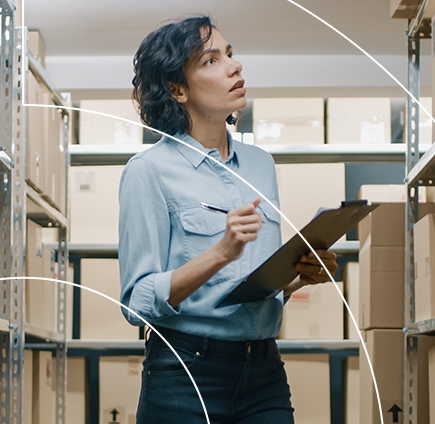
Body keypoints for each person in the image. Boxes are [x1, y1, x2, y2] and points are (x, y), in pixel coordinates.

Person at [118, 15, 339, 423]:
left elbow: (252, 286)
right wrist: (220, 252)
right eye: (211, 60)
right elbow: (136, 303)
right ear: (177, 89)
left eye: (231, 54)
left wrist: (299, 277)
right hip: (185, 372)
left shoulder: (260, 164)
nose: (234, 66)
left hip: (264, 368)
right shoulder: (148, 171)